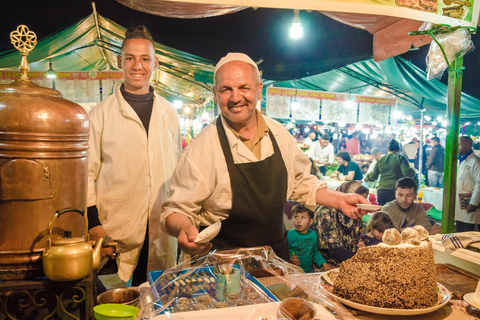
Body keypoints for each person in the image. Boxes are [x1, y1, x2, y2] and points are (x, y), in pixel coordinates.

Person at [160, 53, 369, 261]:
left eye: (244, 88)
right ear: (215, 93)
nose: (235, 98)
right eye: (226, 89)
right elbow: (175, 210)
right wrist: (185, 227)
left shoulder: (279, 135)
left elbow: (301, 182)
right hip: (223, 264)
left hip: (275, 260)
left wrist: (340, 200)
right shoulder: (202, 149)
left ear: (259, 90)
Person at [87, 26, 181, 285]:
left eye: (145, 59)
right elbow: (86, 175)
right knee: (116, 301)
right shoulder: (100, 114)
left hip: (161, 229)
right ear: (120, 61)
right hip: (115, 232)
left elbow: (177, 169)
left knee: (157, 299)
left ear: (155, 63)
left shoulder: (169, 113)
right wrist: (94, 224)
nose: (137, 65)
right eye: (130, 58)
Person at [311, 181, 369, 267]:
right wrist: (359, 260)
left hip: (349, 262)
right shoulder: (325, 212)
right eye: (358, 201)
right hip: (326, 264)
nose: (360, 205)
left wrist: (360, 246)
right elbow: (332, 250)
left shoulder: (356, 213)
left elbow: (358, 239)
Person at [365, 139, 415, 205]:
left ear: (388, 149)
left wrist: (366, 178)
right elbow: (407, 173)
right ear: (399, 150)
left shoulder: (381, 160)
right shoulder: (401, 158)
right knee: (395, 212)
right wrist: (413, 171)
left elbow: (373, 176)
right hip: (395, 190)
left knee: (383, 213)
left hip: (381, 190)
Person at [288, 204, 334, 272]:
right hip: (293, 271)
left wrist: (324, 263)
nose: (298, 221)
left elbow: (315, 252)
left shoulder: (313, 235)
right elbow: (284, 253)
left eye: (303, 217)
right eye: (296, 217)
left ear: (311, 221)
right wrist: (290, 259)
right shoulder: (289, 235)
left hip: (309, 271)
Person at [455, 136, 480, 232]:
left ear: (468, 145)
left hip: (470, 206)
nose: (457, 147)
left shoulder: (476, 162)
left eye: (459, 145)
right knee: (459, 230)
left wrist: (473, 203)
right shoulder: (458, 160)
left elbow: (479, 184)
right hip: (459, 206)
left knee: (468, 232)